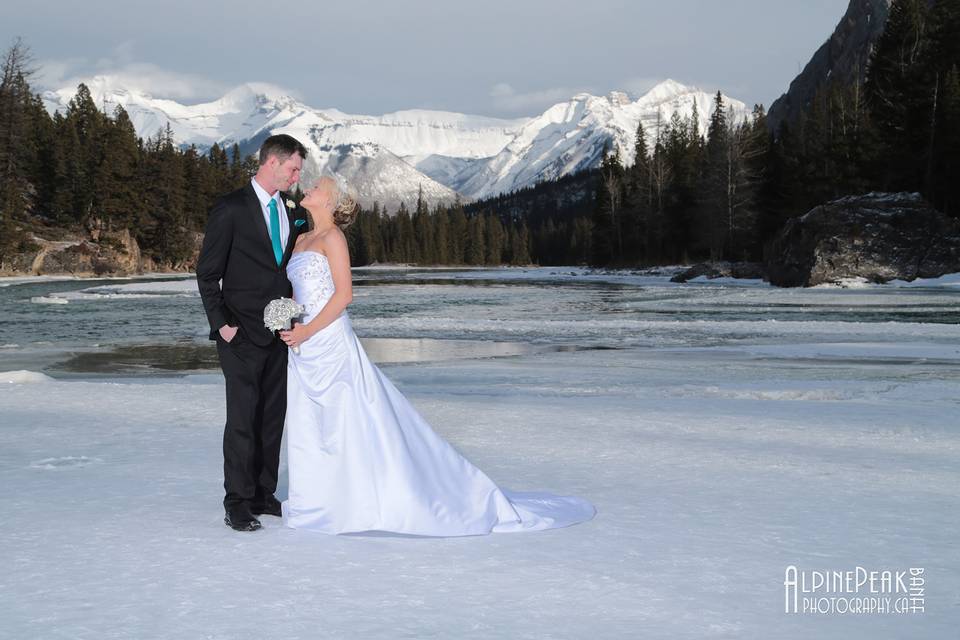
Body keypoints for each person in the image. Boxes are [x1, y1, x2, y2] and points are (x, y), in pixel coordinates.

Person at [279, 175, 595, 536]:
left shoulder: (333, 238)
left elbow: (344, 296)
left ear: (332, 202)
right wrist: (287, 316)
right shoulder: (302, 238)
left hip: (328, 340)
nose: (309, 188)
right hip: (303, 344)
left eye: (318, 187)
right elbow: (299, 291)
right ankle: (320, 499)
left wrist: (308, 329)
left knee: (344, 418)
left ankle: (357, 500)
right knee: (311, 421)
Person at [196, 134, 309, 532]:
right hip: (239, 334)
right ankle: (238, 502)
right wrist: (223, 324)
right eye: (293, 168)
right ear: (272, 163)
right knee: (243, 420)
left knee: (271, 418)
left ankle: (264, 494)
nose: (297, 176)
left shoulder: (292, 211)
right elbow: (207, 274)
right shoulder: (231, 208)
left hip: (280, 332)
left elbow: (285, 268)